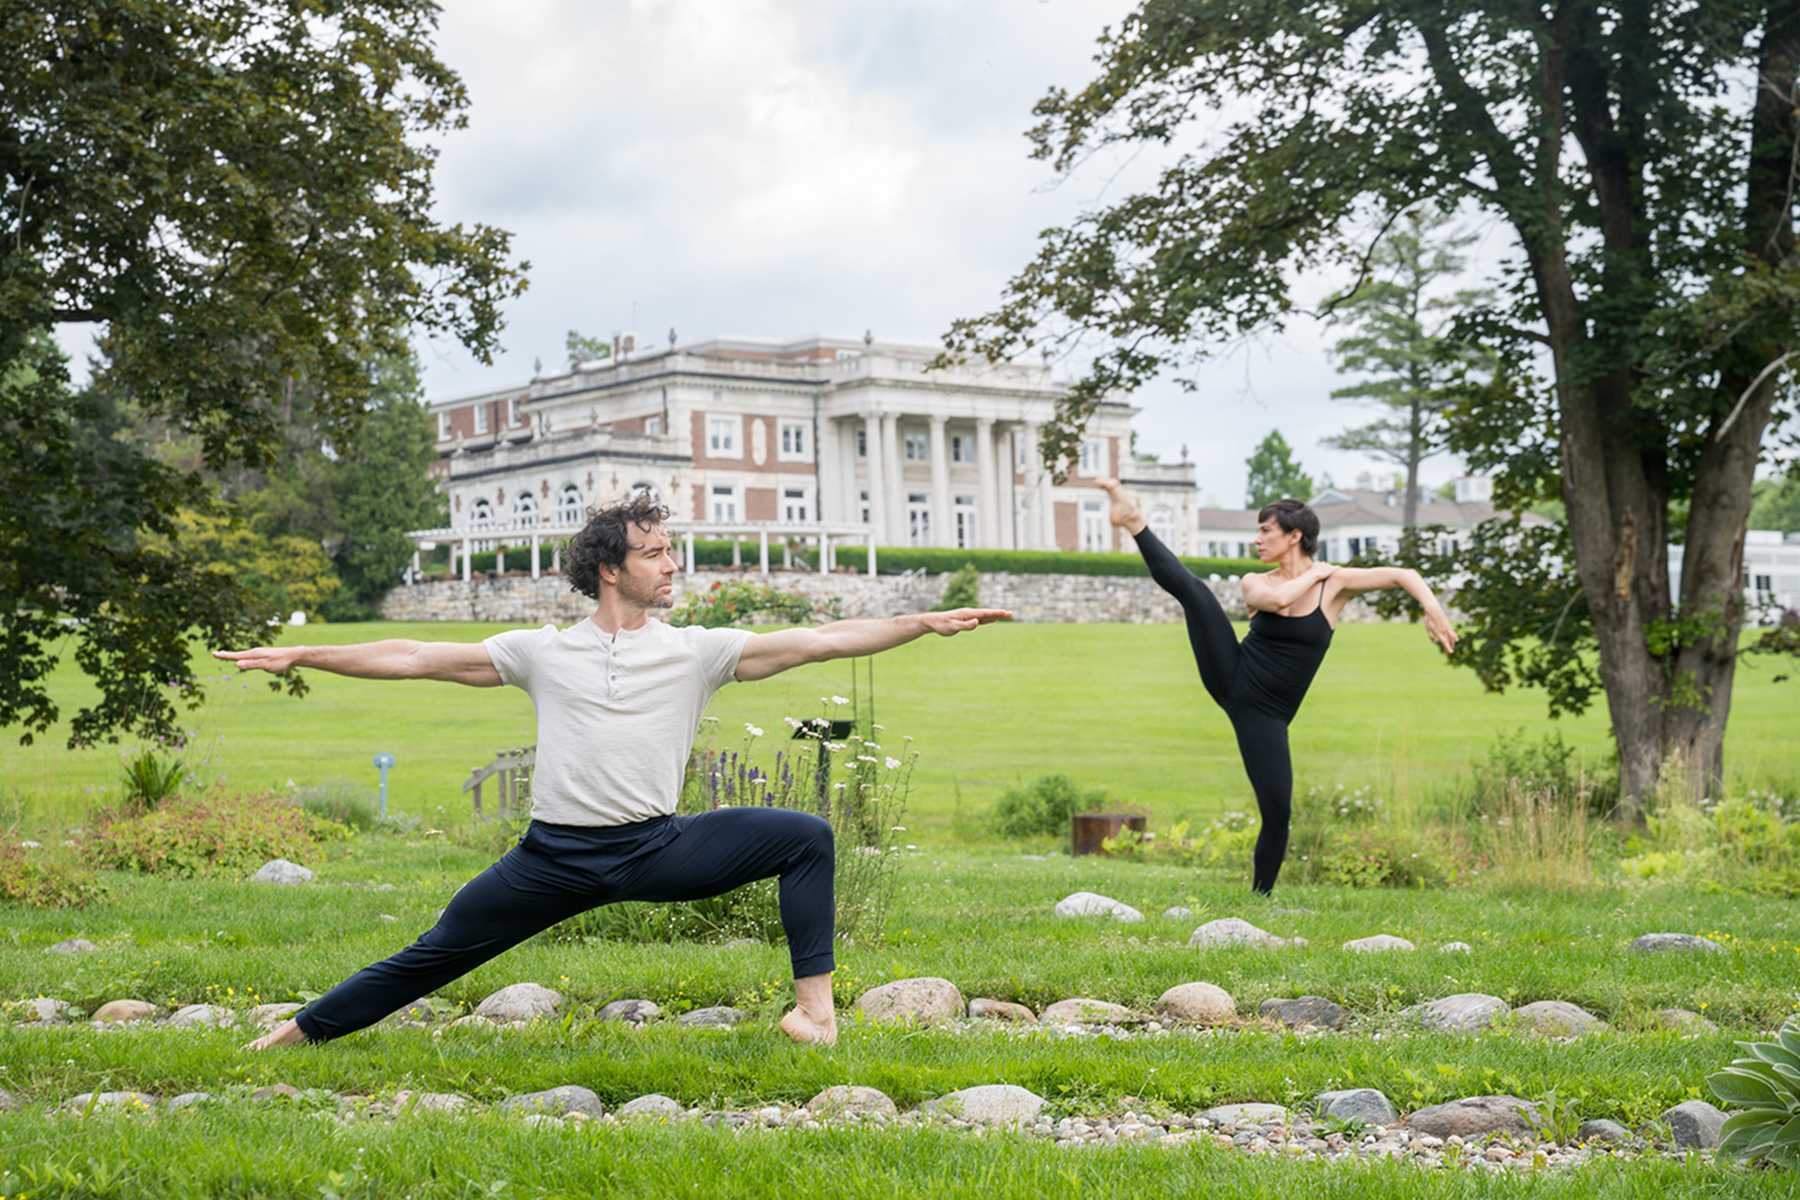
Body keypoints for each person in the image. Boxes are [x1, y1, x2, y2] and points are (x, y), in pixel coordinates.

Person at [216, 494, 1010, 1049]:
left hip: (653, 848)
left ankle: (816, 1017)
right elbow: (414, 655)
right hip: (550, 860)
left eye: (670, 551)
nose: (672, 565)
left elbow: (821, 640)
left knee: (804, 838)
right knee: (435, 952)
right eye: (654, 553)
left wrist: (920, 622)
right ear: (608, 568)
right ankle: (296, 1034)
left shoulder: (696, 652)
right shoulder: (541, 652)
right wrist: (304, 652)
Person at [1097, 477, 1456, 894]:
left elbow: (1403, 574)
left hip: (1267, 714)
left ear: (1294, 535)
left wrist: (1432, 607)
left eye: (1266, 530)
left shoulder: (1334, 586)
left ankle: (1261, 897)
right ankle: (1134, 520)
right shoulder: (1258, 581)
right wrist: (1317, 572)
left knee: (1277, 811)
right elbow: (1278, 601)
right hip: (1234, 675)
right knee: (1195, 593)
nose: (1257, 540)